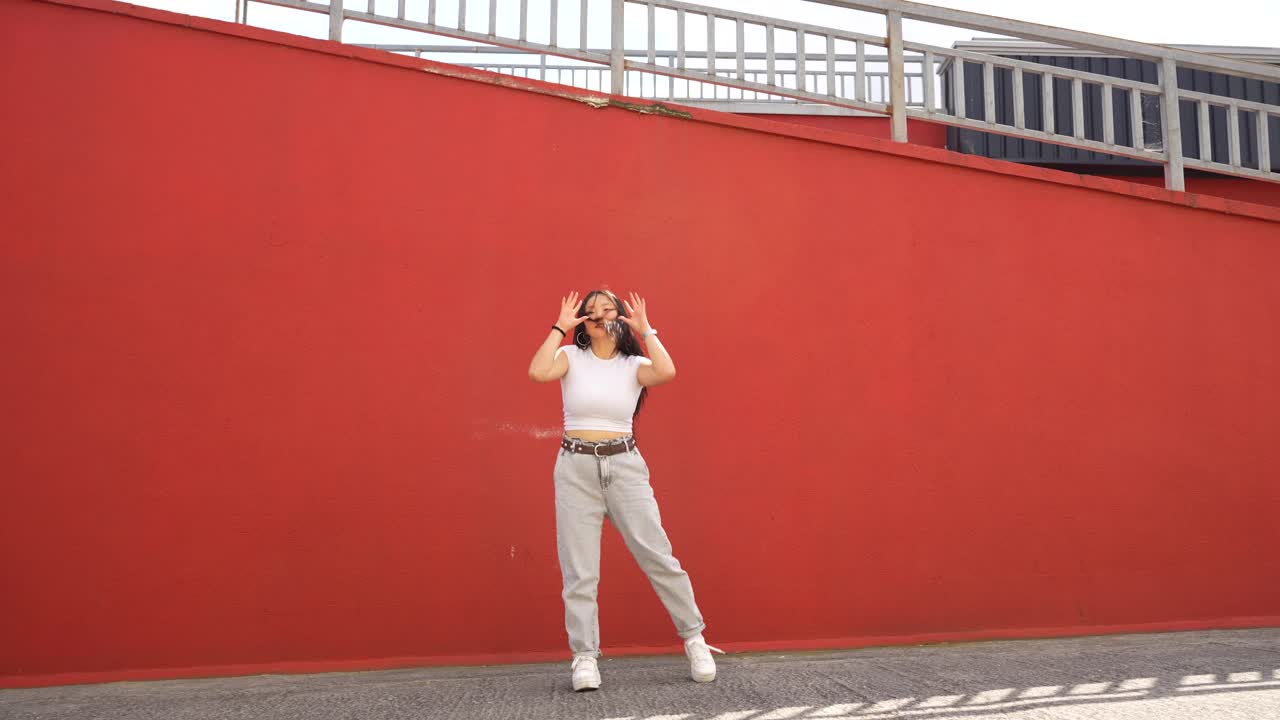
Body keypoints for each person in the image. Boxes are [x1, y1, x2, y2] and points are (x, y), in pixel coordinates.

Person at [527, 289, 723, 692]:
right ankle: (584, 656)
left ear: (620, 317)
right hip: (575, 467)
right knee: (579, 570)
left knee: (658, 555)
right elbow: (538, 371)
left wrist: (646, 329)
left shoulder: (634, 365)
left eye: (607, 309)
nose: (598, 316)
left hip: (625, 466)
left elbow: (667, 371)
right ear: (583, 321)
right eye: (591, 312)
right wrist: (559, 328)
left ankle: (695, 639)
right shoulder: (570, 357)